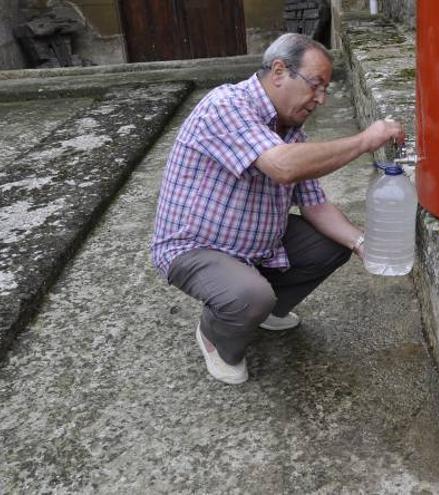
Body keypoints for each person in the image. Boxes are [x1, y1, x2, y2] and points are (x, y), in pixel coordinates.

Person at [149, 33, 404, 385]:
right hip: (195, 247)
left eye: (325, 89)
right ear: (280, 70)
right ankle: (215, 335)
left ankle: (263, 310)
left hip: (256, 245)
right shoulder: (226, 105)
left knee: (331, 247)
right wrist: (364, 141)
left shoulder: (291, 130)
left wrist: (362, 243)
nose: (321, 99)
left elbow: (316, 206)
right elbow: (283, 167)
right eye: (316, 85)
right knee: (249, 295)